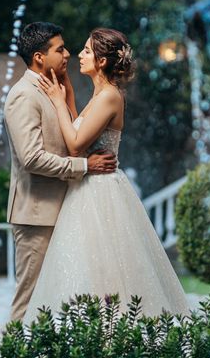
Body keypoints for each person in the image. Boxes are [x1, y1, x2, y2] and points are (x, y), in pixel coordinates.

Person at [24, 27, 189, 324]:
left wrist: (59, 102)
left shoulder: (110, 96)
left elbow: (74, 143)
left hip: (101, 192)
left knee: (108, 269)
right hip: (87, 188)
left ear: (101, 61)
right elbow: (79, 133)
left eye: (87, 50)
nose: (80, 55)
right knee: (86, 268)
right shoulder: (99, 94)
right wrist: (70, 95)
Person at [4, 22, 118, 322]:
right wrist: (85, 166)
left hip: (67, 211)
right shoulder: (24, 95)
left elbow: (71, 139)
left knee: (61, 300)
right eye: (60, 49)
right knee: (28, 301)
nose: (68, 53)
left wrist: (65, 95)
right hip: (37, 215)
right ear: (40, 57)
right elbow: (31, 158)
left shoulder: (53, 88)